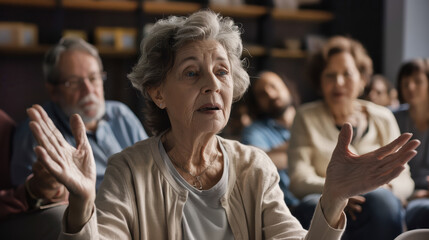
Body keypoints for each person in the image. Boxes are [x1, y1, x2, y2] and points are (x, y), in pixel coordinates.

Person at [27, 11, 419, 239]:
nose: (213, 84)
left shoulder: (254, 167)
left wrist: (332, 198)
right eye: (192, 73)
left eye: (221, 72)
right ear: (158, 92)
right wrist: (80, 205)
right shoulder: (128, 170)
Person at [7, 37, 148, 238]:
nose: (88, 90)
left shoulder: (120, 114)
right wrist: (48, 189)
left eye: (93, 78)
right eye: (73, 82)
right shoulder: (37, 132)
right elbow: (26, 202)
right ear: (53, 90)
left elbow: (151, 168)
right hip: (92, 221)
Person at [287, 36, 415, 239]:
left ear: (362, 79)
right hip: (324, 199)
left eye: (347, 74)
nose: (338, 82)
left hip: (378, 202)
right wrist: (340, 191)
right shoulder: (306, 116)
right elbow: (298, 180)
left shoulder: (383, 116)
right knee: (313, 208)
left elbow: (405, 179)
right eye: (330, 75)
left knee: (383, 199)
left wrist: (385, 186)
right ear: (319, 82)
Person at [241, 71, 300, 207]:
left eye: (274, 87)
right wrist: (304, 146)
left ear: (287, 88)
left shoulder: (310, 119)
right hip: (290, 206)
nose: (271, 95)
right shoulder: (254, 131)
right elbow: (255, 166)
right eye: (262, 94)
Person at [394, 58, 429, 230]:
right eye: (405, 83)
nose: (410, 87)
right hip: (402, 193)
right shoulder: (391, 117)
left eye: (418, 81)